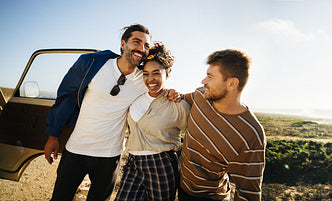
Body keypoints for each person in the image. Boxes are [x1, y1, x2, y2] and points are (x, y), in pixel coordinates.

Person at [43, 24, 176, 201]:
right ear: (123, 44)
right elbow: (66, 97)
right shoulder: (92, 64)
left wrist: (174, 93)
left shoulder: (143, 77)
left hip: (109, 157)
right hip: (75, 150)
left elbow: (158, 87)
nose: (142, 49)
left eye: (146, 45)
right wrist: (53, 136)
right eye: (136, 42)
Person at [178, 49, 266, 201]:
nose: (203, 81)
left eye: (210, 77)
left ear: (232, 83)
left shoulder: (251, 134)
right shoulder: (200, 96)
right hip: (182, 189)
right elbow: (180, 98)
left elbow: (248, 193)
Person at [114, 42, 190, 201]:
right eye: (146, 74)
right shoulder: (135, 98)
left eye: (156, 73)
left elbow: (194, 134)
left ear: (167, 74)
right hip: (132, 162)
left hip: (162, 165)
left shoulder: (178, 105)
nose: (150, 79)